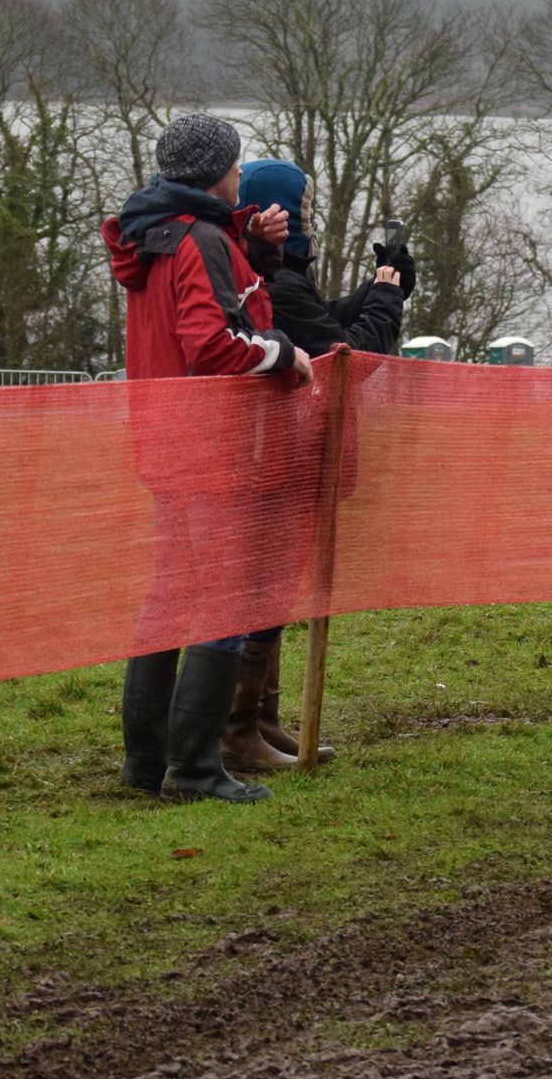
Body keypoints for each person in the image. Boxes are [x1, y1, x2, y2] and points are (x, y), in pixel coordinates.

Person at [101, 112, 313, 803]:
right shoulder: (199, 240)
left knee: (169, 596)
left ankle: (145, 762)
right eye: (235, 163)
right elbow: (211, 342)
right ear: (216, 171)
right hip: (210, 446)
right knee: (224, 600)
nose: (239, 172)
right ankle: (193, 769)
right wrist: (285, 354)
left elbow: (207, 303)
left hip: (163, 438)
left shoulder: (156, 233)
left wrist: (251, 243)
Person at [222, 159, 411, 773]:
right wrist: (383, 301)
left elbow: (324, 319)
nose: (307, 215)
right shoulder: (275, 283)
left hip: (279, 456)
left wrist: (384, 288)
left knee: (274, 588)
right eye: (301, 204)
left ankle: (260, 719)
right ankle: (238, 727)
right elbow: (351, 356)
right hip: (283, 458)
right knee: (266, 586)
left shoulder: (272, 277)